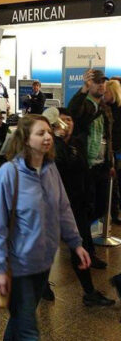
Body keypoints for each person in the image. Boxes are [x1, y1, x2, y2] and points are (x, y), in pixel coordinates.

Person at [0, 114, 91, 341]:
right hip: (17, 266)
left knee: (23, 315)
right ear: (25, 139)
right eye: (40, 133)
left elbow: (63, 208)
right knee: (30, 334)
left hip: (43, 262)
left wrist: (77, 243)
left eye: (48, 132)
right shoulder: (9, 174)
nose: (48, 137)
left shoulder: (51, 169)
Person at [52, 108, 115, 306]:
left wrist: (89, 196)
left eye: (69, 120)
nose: (66, 124)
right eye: (61, 121)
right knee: (47, 248)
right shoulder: (53, 147)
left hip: (77, 205)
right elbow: (60, 164)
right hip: (57, 206)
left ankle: (89, 292)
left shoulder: (78, 142)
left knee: (79, 246)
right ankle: (42, 285)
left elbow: (84, 171)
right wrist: (59, 140)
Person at [68, 69, 113, 269]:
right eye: (97, 82)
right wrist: (83, 90)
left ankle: (76, 234)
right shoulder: (84, 105)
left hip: (101, 165)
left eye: (103, 82)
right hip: (84, 167)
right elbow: (73, 112)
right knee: (85, 209)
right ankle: (86, 250)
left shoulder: (105, 107)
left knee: (101, 206)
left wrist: (110, 162)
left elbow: (108, 137)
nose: (101, 85)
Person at [103, 79, 121, 224]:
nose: (104, 94)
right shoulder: (105, 108)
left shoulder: (114, 110)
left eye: (107, 91)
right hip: (111, 150)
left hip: (116, 150)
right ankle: (113, 213)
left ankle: (115, 213)